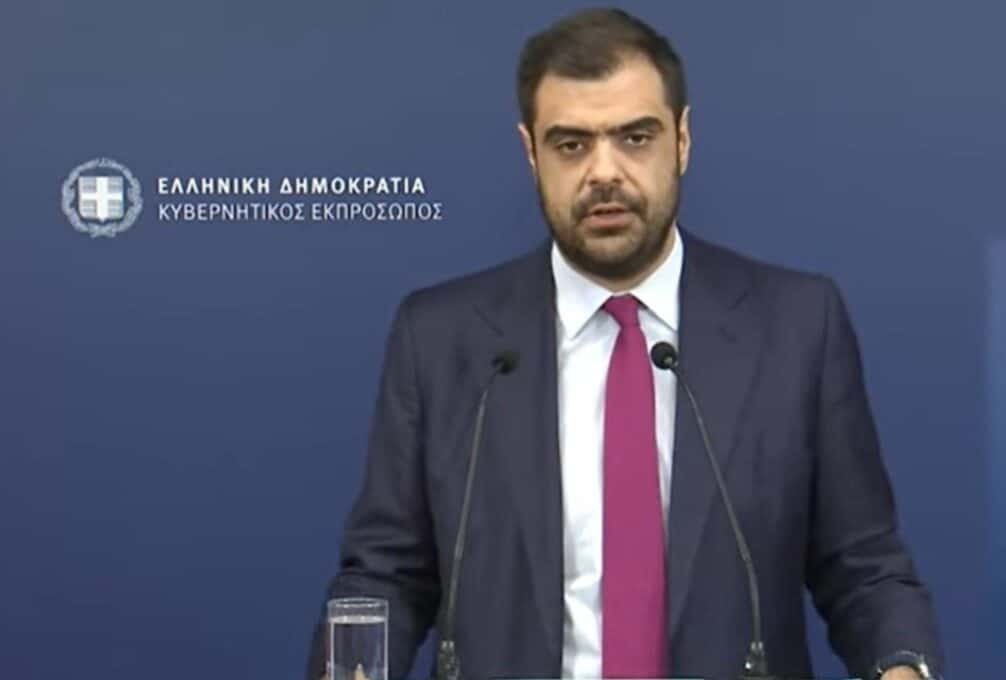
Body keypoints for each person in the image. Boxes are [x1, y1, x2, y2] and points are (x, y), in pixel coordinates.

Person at [308, 8, 943, 680]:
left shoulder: (797, 326)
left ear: (682, 141)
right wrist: (354, 666)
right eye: (571, 145)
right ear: (531, 153)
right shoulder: (441, 338)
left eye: (635, 138)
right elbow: (385, 574)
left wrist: (901, 667)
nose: (603, 172)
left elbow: (865, 570)